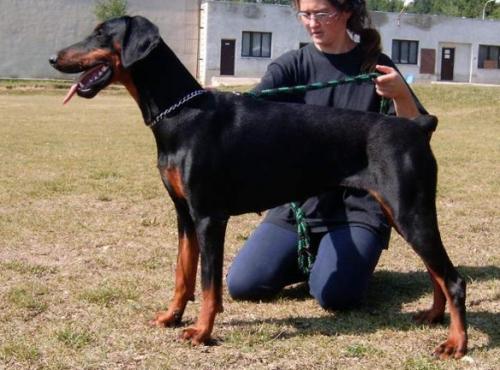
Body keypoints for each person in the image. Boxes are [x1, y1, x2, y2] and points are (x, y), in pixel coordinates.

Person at [226, 0, 427, 310]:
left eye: (322, 13)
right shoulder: (290, 66)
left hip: (358, 208)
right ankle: (324, 260)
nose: (312, 23)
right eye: (305, 14)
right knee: (244, 285)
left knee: (336, 297)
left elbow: (416, 134)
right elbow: (248, 114)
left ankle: (344, 263)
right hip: (297, 207)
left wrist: (401, 94)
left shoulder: (375, 66)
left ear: (346, 12)